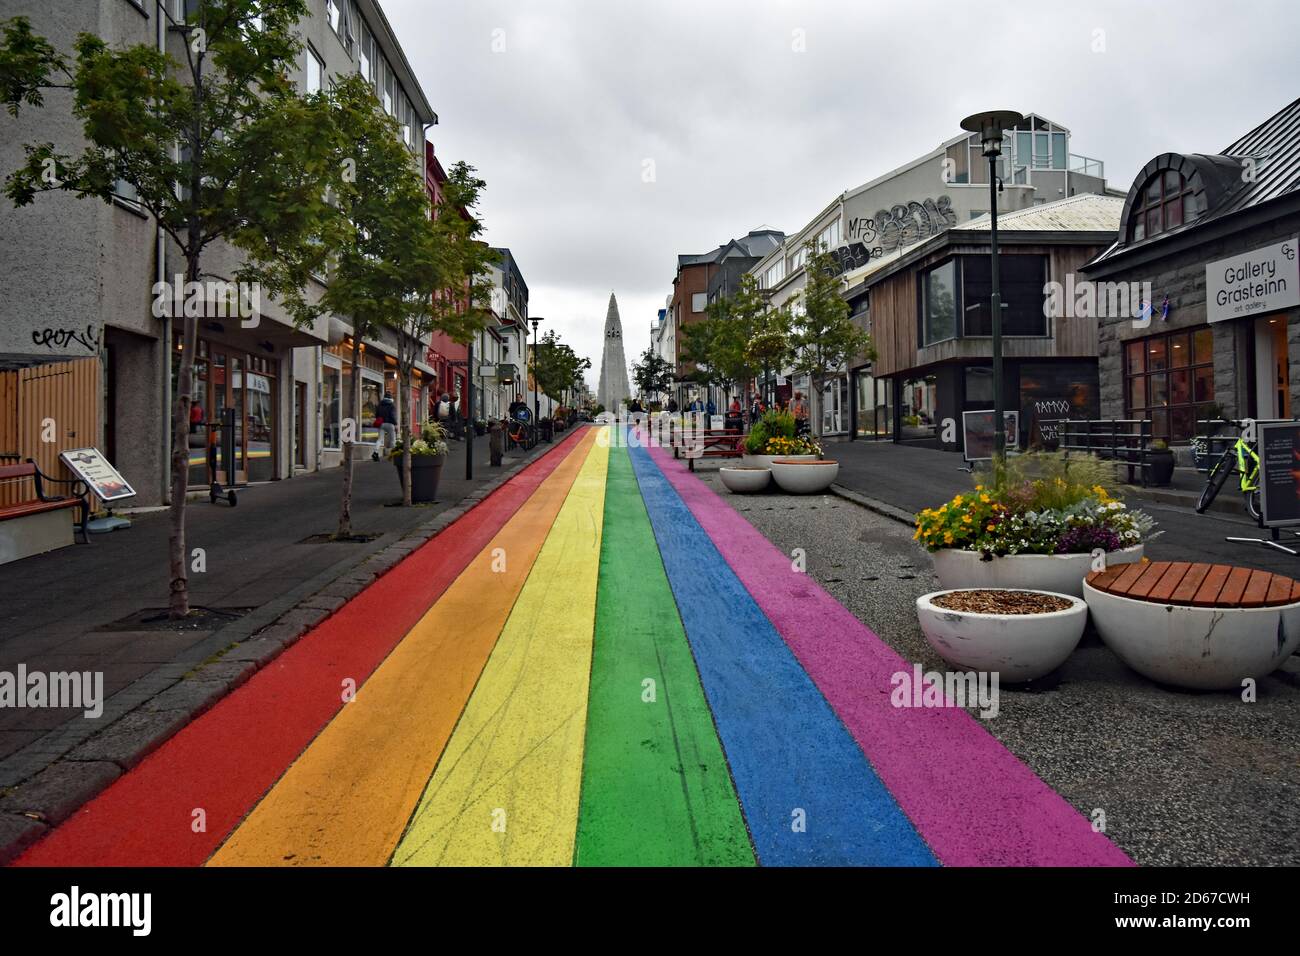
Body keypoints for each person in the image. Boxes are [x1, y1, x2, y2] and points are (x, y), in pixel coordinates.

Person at [373, 392, 397, 461]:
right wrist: (395, 424)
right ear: (390, 398)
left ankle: (375, 453)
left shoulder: (380, 405)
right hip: (390, 424)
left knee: (380, 439)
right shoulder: (392, 405)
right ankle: (394, 455)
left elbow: (377, 415)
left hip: (381, 424)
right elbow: (392, 416)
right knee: (393, 440)